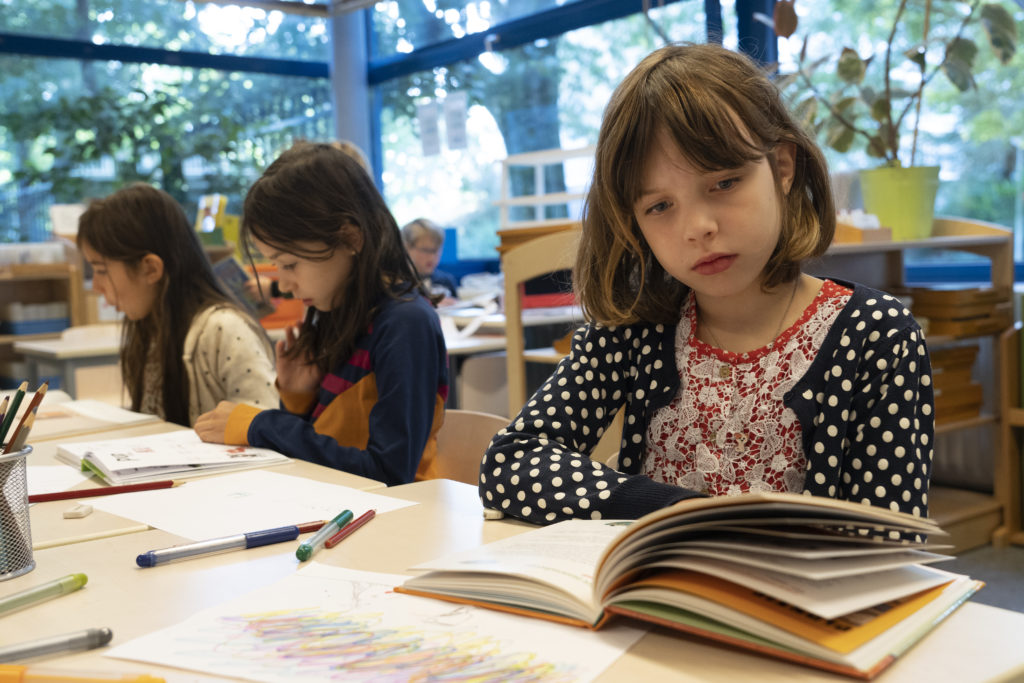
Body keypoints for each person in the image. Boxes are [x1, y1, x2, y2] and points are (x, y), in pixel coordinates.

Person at [479, 43, 934, 529]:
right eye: (659, 206)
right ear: (633, 222)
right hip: (650, 594)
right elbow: (512, 461)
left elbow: (889, 543)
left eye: (724, 183)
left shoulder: (876, 334)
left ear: (782, 167)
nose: (697, 227)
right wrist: (683, 513)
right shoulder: (636, 326)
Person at [194, 141, 449, 486]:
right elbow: (324, 451)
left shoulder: (406, 324)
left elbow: (389, 473)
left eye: (289, 264)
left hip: (399, 518)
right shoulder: (337, 310)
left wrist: (261, 425)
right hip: (335, 505)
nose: (284, 283)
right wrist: (298, 402)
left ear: (349, 238)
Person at [77, 183, 278, 427]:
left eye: (100, 270)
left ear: (150, 268)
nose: (96, 286)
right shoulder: (149, 326)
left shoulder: (223, 328)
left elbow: (266, 426)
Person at [401, 218, 459, 300]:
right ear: (406, 248)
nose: (432, 257)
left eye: (435, 251)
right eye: (425, 250)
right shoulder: (398, 283)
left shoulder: (446, 281)